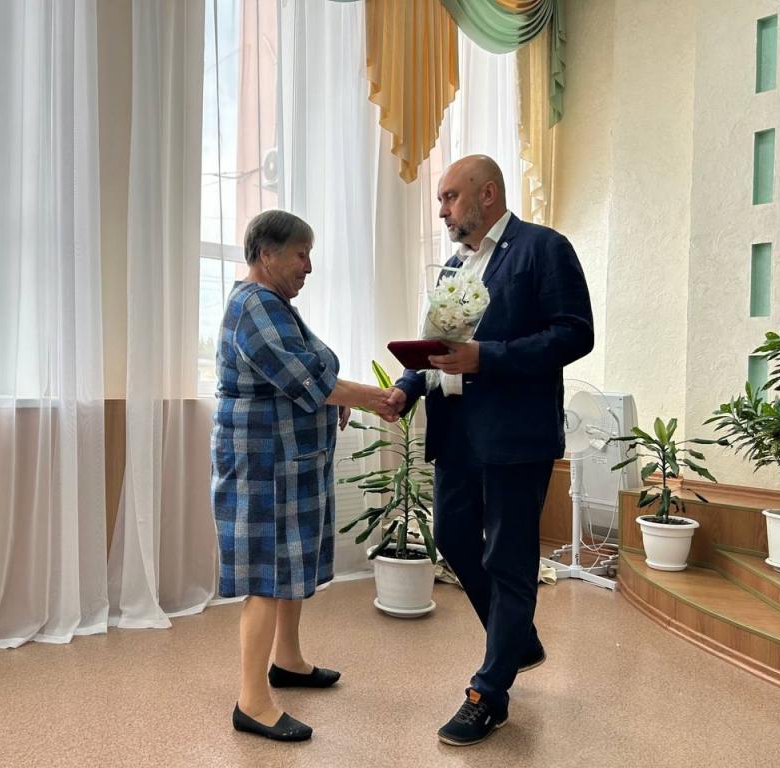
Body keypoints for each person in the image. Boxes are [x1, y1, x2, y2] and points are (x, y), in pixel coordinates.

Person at [387, 155, 594, 746]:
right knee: (453, 538)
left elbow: (575, 332)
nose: (442, 210)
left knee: (508, 558)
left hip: (514, 434)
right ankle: (518, 639)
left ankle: (489, 692)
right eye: (441, 200)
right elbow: (439, 347)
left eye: (450, 196)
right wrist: (406, 387)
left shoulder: (543, 248)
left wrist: (488, 357)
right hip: (456, 430)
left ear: (488, 194)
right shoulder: (455, 266)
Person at [212, 209, 398, 742]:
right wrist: (374, 398)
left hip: (287, 459)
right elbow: (306, 379)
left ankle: (288, 661)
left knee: (289, 562)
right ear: (266, 254)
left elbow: (312, 373)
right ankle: (252, 702)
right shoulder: (254, 306)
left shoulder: (274, 304)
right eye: (301, 254)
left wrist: (335, 398)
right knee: (266, 576)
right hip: (263, 464)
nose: (309, 266)